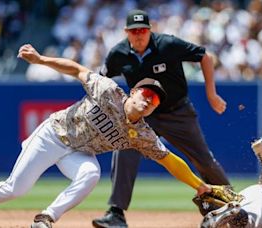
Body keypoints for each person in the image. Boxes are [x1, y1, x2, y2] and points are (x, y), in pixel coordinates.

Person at [0, 44, 236, 228]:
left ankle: (46, 218)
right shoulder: (108, 90)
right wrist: (41, 59)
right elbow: (77, 69)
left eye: (155, 100)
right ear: (133, 92)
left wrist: (201, 186)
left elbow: (170, 161)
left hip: (79, 153)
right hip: (53, 135)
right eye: (145, 94)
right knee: (15, 189)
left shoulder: (142, 134)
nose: (149, 100)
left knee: (91, 175)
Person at [92, 9, 230, 228]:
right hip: (143, 116)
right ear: (126, 32)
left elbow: (205, 56)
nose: (139, 35)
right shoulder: (118, 54)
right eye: (134, 30)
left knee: (203, 160)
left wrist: (211, 94)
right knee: (125, 147)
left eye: (143, 30)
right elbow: (100, 80)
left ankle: (234, 205)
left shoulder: (167, 45)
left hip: (177, 112)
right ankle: (116, 213)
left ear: (150, 30)